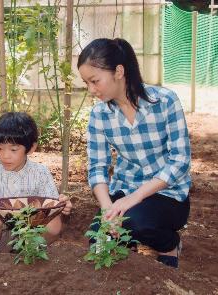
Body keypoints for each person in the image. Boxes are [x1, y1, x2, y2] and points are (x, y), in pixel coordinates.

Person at [77, 38, 191, 268]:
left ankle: (170, 244)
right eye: (86, 83)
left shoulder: (165, 101)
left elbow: (180, 161)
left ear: (119, 71)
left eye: (95, 81)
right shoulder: (100, 115)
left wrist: (135, 197)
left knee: (136, 223)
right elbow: (97, 167)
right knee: (98, 242)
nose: (91, 89)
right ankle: (128, 245)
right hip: (125, 190)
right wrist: (107, 207)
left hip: (167, 194)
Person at [0, 112, 72, 253]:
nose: (5, 155)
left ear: (31, 148)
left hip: (31, 232)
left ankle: (33, 251)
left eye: (13, 149)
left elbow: (51, 207)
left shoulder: (40, 172)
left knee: (54, 224)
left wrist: (62, 206)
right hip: (0, 231)